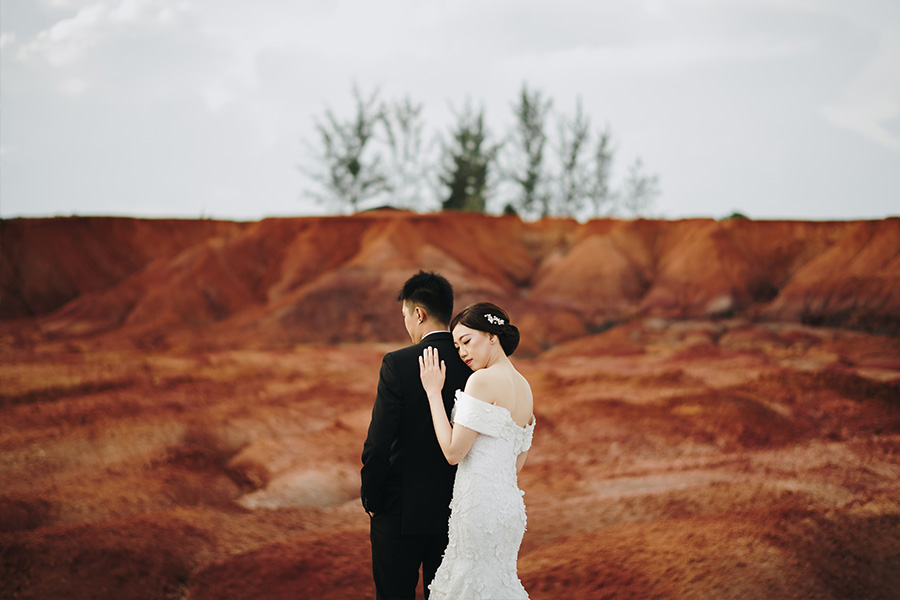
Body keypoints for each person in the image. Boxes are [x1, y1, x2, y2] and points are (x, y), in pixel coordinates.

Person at [361, 270, 472, 600]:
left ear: (419, 313)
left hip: (399, 510)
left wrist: (372, 497)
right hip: (457, 509)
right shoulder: (473, 363)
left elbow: (379, 441)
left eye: (405, 315)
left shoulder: (398, 363)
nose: (406, 324)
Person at [419, 302, 535, 600]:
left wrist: (433, 392)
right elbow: (516, 464)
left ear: (492, 336)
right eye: (457, 347)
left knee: (468, 584)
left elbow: (454, 453)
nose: (462, 353)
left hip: (479, 507)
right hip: (509, 510)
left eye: (467, 341)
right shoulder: (524, 387)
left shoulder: (482, 380)